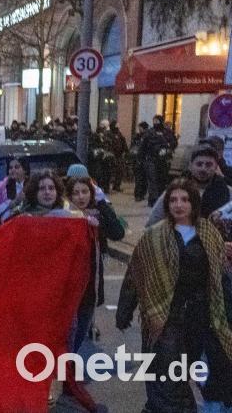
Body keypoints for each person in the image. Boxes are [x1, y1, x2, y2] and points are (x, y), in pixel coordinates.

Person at [117, 179, 232, 412]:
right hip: (165, 316)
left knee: (180, 376)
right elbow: (135, 274)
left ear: (194, 203)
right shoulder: (154, 236)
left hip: (199, 318)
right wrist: (124, 311)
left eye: (185, 199)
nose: (179, 205)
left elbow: (220, 278)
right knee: (167, 378)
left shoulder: (209, 233)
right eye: (173, 200)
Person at [65, 176, 125, 352]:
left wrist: (102, 203)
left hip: (90, 287)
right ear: (69, 196)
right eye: (76, 193)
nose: (81, 197)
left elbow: (117, 233)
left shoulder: (97, 213)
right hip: (69, 286)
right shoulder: (64, 216)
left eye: (85, 192)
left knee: (81, 332)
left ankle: (69, 367)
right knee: (70, 331)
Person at [147, 144, 232, 227]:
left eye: (208, 165)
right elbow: (153, 223)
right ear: (190, 166)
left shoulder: (227, 192)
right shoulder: (174, 191)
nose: (203, 169)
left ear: (216, 167)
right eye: (199, 164)